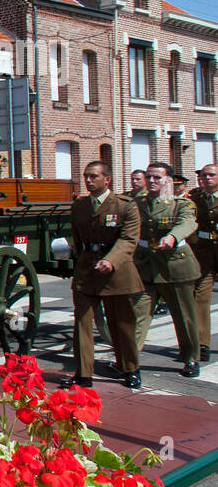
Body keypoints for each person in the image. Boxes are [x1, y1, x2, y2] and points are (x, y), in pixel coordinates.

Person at [68, 161, 143, 388]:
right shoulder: (80, 206)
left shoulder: (125, 206)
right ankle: (83, 374)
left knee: (122, 323)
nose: (89, 181)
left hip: (116, 272)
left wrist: (110, 261)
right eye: (86, 176)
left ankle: (130, 368)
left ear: (106, 179)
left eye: (94, 176)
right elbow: (78, 237)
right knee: (82, 322)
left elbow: (129, 239)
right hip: (87, 271)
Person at [131, 162, 202, 378]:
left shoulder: (181, 204)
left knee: (183, 315)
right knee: (137, 314)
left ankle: (191, 358)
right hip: (145, 265)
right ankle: (129, 361)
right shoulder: (136, 202)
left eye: (157, 178)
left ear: (168, 181)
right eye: (149, 177)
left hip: (175, 266)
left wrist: (172, 236)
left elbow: (188, 223)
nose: (152, 181)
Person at [186, 163, 217, 361]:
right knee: (201, 297)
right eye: (204, 175)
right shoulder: (195, 198)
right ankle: (201, 343)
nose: (206, 178)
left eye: (211, 175)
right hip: (204, 251)